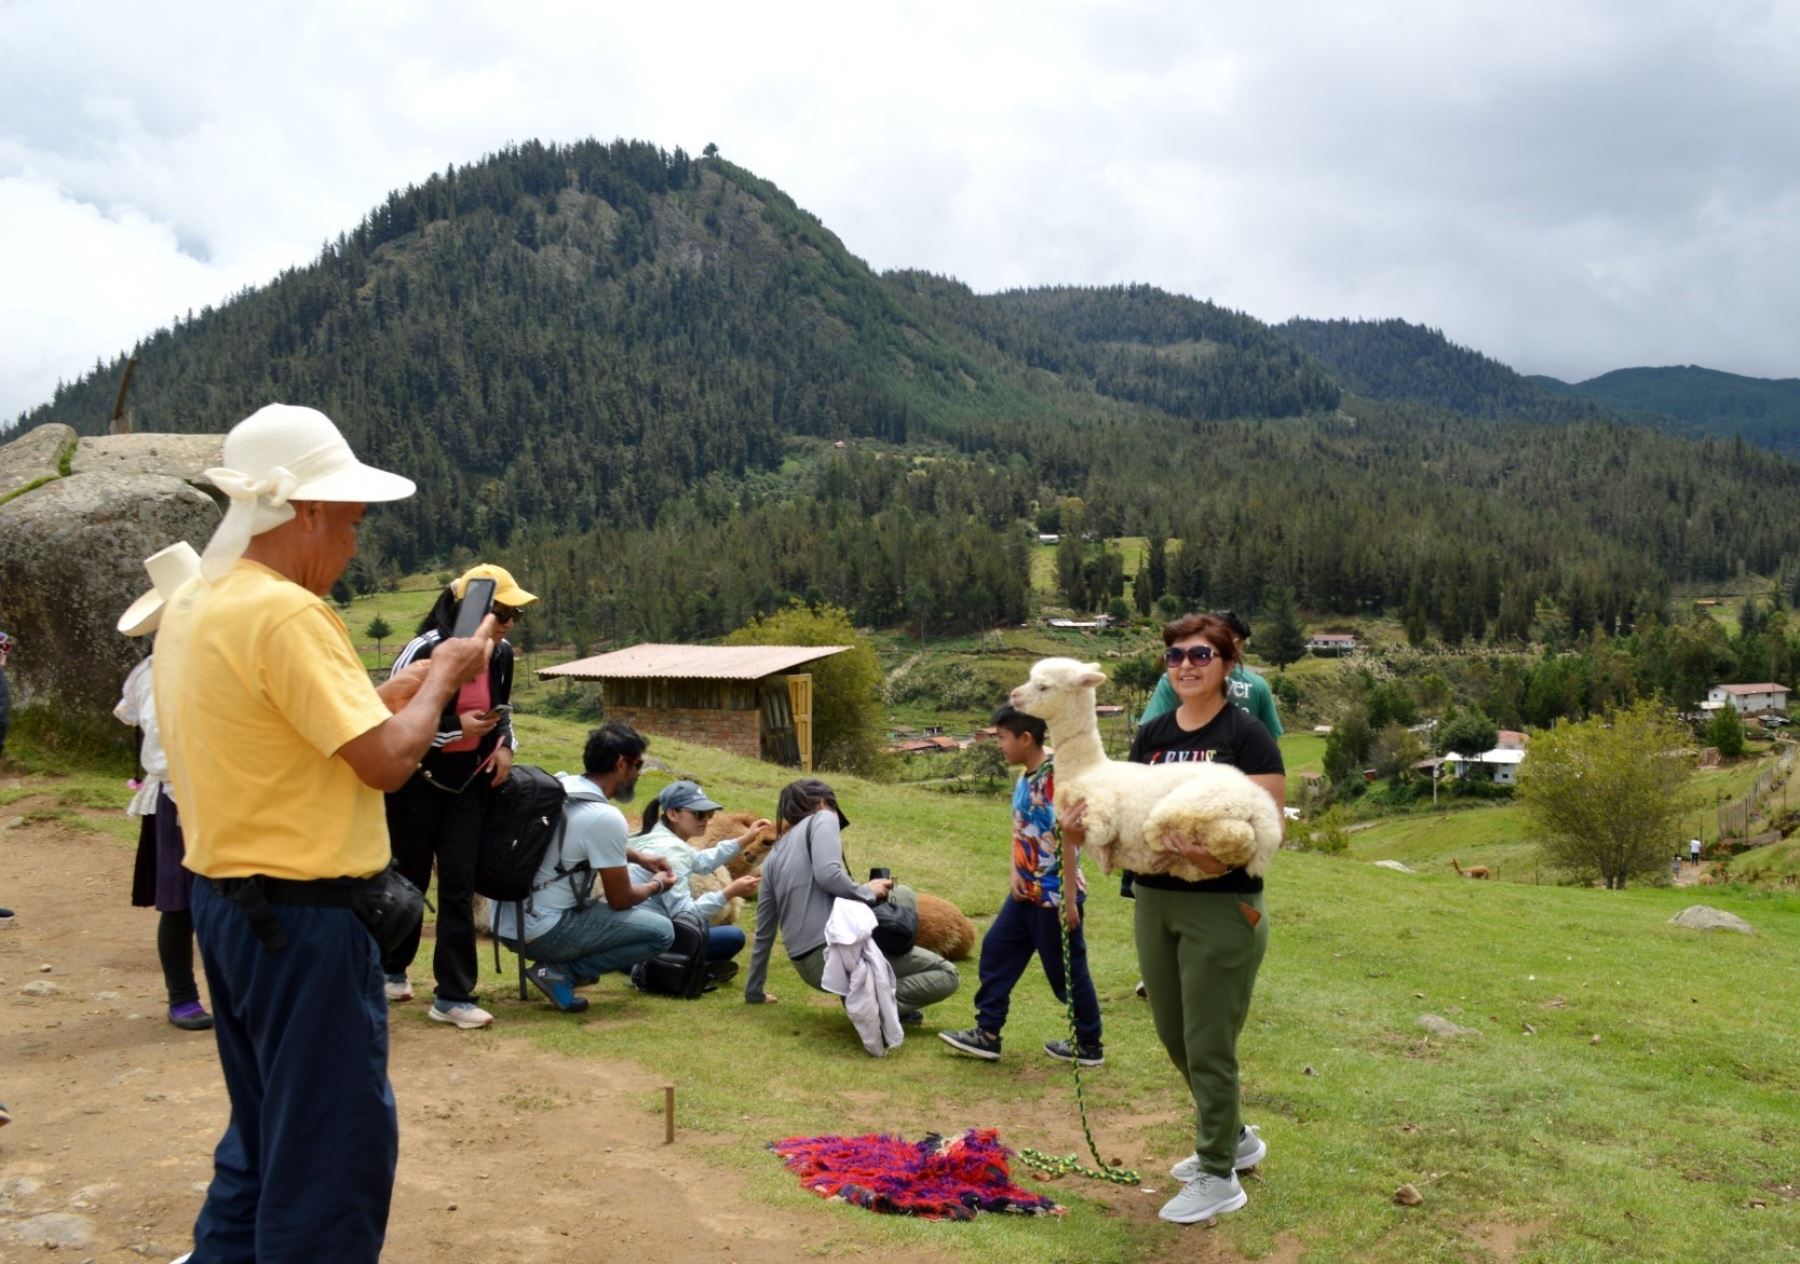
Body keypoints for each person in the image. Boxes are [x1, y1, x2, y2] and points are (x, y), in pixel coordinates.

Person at [154, 403, 494, 1264]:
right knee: (330, 1157)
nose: (352, 543)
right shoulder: (290, 613)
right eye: (349, 521)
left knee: (265, 1136)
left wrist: (392, 693)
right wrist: (445, 677)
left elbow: (281, 728)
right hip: (305, 921)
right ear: (304, 511)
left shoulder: (200, 600)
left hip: (232, 906)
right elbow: (384, 762)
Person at [1065, 612, 1282, 1226]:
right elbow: (1129, 811)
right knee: (1173, 1034)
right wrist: (1082, 833)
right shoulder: (1152, 735)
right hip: (1154, 901)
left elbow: (1269, 830)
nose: (1186, 665)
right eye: (1175, 656)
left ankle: (1218, 1174)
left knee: (1209, 1042)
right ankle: (1236, 1138)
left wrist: (1210, 859)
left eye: (1200, 655)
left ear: (1227, 665)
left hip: (1222, 906)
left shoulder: (1248, 736)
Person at [379, 563, 537, 1029]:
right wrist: (454, 729)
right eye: (501, 612)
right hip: (415, 783)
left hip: (466, 786)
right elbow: (391, 720)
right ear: (471, 609)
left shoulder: (501, 653)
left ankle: (453, 993)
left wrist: (504, 745)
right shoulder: (425, 649)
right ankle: (389, 970)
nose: (508, 623)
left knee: (458, 885)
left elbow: (503, 709)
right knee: (406, 879)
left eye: (514, 614)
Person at [941, 703, 1103, 1065]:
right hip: (1024, 892)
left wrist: (1069, 899)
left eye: (1002, 737)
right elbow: (1021, 828)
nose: (998, 745)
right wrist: (1016, 871)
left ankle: (1088, 1044)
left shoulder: (1056, 779)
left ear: (1025, 738)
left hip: (1053, 897)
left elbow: (1070, 839)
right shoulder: (1025, 776)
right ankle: (987, 1034)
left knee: (1066, 973)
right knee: (996, 951)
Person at [491, 721, 679, 1013]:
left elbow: (575, 842)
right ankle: (562, 972)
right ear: (621, 764)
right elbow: (621, 899)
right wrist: (658, 885)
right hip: (543, 930)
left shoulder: (561, 787)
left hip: (507, 921)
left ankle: (563, 967)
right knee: (662, 932)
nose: (638, 774)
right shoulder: (605, 817)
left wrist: (638, 857)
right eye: (637, 765)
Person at [744, 778, 959, 1020]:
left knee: (902, 894)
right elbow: (828, 875)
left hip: (810, 970)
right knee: (947, 974)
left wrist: (754, 990)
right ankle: (868, 1001)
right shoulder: (823, 817)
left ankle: (877, 992)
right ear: (823, 802)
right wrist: (867, 892)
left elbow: (764, 932)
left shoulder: (773, 858)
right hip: (835, 955)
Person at [117, 541, 211, 1032]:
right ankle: (183, 997)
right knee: (182, 905)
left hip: (219, 795)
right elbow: (159, 747)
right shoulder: (156, 674)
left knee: (229, 900)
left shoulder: (215, 660)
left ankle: (235, 993)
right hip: (181, 799)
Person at [632, 780, 771, 978]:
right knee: (732, 937)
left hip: (638, 929)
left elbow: (701, 861)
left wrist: (745, 839)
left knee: (705, 927)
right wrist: (729, 893)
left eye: (709, 814)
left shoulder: (657, 836)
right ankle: (674, 967)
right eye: (699, 814)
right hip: (648, 939)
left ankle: (692, 966)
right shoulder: (672, 852)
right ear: (672, 814)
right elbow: (685, 915)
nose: (706, 820)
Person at [1139, 609, 1282, 737]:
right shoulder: (1257, 685)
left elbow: (1150, 734)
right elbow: (1271, 742)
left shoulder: (1178, 679)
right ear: (1236, 643)